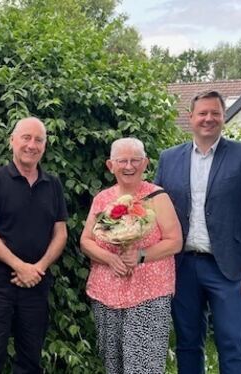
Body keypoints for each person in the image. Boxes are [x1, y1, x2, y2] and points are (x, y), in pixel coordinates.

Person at [154, 90, 241, 374]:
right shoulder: (169, 158)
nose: (208, 119)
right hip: (182, 266)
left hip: (230, 268)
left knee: (232, 342)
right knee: (187, 342)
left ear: (223, 117)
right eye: (202, 113)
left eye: (215, 113)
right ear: (191, 118)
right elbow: (156, 211)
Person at [79, 137, 182, 373]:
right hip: (106, 293)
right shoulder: (102, 199)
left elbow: (175, 242)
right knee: (112, 365)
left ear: (145, 163)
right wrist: (110, 258)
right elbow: (86, 241)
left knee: (143, 365)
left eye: (135, 160)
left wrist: (141, 255)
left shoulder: (157, 197)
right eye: (122, 160)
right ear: (110, 165)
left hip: (149, 293)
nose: (129, 166)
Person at [0, 117, 68, 373]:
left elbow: (60, 233)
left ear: (45, 146)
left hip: (37, 285)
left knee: (30, 360)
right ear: (12, 141)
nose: (32, 145)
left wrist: (38, 268)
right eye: (26, 137)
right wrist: (19, 266)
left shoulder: (54, 185)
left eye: (39, 140)